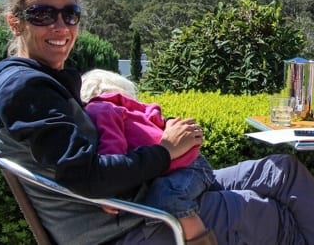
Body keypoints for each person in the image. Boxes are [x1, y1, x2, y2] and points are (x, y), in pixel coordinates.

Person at [0, 0, 314, 245]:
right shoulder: (25, 88)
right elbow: (87, 178)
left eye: (69, 15)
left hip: (146, 195)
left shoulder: (26, 82)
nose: (60, 26)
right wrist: (166, 149)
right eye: (43, 15)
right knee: (271, 215)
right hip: (135, 223)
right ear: (15, 23)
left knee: (281, 170)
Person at [80, 68, 216, 244]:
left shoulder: (100, 109)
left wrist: (110, 189)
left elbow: (112, 147)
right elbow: (158, 117)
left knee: (167, 196)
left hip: (186, 167)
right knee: (163, 193)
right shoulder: (130, 108)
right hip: (192, 164)